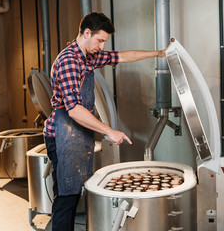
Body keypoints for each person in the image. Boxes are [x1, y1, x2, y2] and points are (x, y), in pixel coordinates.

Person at [43, 12, 167, 231]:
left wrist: (158, 53)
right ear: (87, 33)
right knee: (66, 196)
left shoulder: (88, 56)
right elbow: (74, 110)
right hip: (63, 133)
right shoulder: (69, 61)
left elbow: (122, 56)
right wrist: (110, 131)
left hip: (77, 134)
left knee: (73, 193)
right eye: (100, 40)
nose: (101, 46)